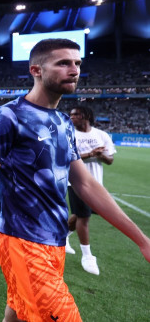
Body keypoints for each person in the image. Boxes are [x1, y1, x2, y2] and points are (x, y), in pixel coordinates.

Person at [0, 39, 150, 322]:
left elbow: (85, 184)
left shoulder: (63, 122)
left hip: (55, 240)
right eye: (63, 63)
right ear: (36, 70)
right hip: (21, 240)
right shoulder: (8, 117)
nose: (74, 70)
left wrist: (141, 239)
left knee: (17, 314)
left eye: (77, 63)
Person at [65, 104, 116, 275]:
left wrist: (101, 155)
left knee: (81, 215)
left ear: (86, 116)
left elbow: (110, 160)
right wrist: (92, 154)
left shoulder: (101, 135)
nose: (72, 117)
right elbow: (68, 157)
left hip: (96, 183)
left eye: (76, 114)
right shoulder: (69, 134)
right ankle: (87, 256)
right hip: (76, 182)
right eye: (71, 115)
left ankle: (63, 235)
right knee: (84, 217)